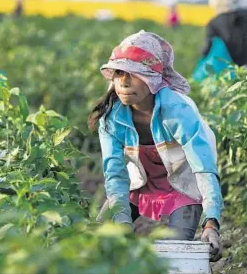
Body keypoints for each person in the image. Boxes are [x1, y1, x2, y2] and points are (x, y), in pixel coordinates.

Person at [88, 30, 224, 262]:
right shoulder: (112, 116)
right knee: (99, 242)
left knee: (176, 256)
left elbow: (204, 169)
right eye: (119, 73)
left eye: (133, 74)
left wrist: (211, 223)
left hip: (182, 186)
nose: (124, 81)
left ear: (153, 78)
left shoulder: (179, 111)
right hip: (137, 184)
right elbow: (115, 174)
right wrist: (121, 223)